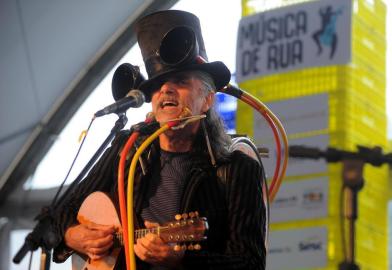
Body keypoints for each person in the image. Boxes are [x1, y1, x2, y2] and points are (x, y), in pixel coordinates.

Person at [52, 10, 266, 269]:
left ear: (207, 100)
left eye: (180, 81)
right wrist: (73, 235)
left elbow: (250, 263)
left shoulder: (238, 170)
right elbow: (59, 212)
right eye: (158, 85)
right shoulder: (127, 150)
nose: (165, 89)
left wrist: (182, 260)